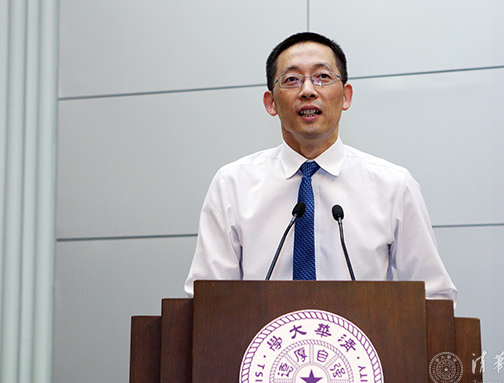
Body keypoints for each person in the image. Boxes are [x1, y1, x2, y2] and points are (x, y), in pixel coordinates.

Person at [184, 32, 456, 303]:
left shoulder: (393, 185)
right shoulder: (233, 184)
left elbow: (433, 296)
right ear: (271, 103)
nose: (308, 90)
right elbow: (207, 299)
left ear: (346, 96)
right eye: (292, 79)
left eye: (322, 77)